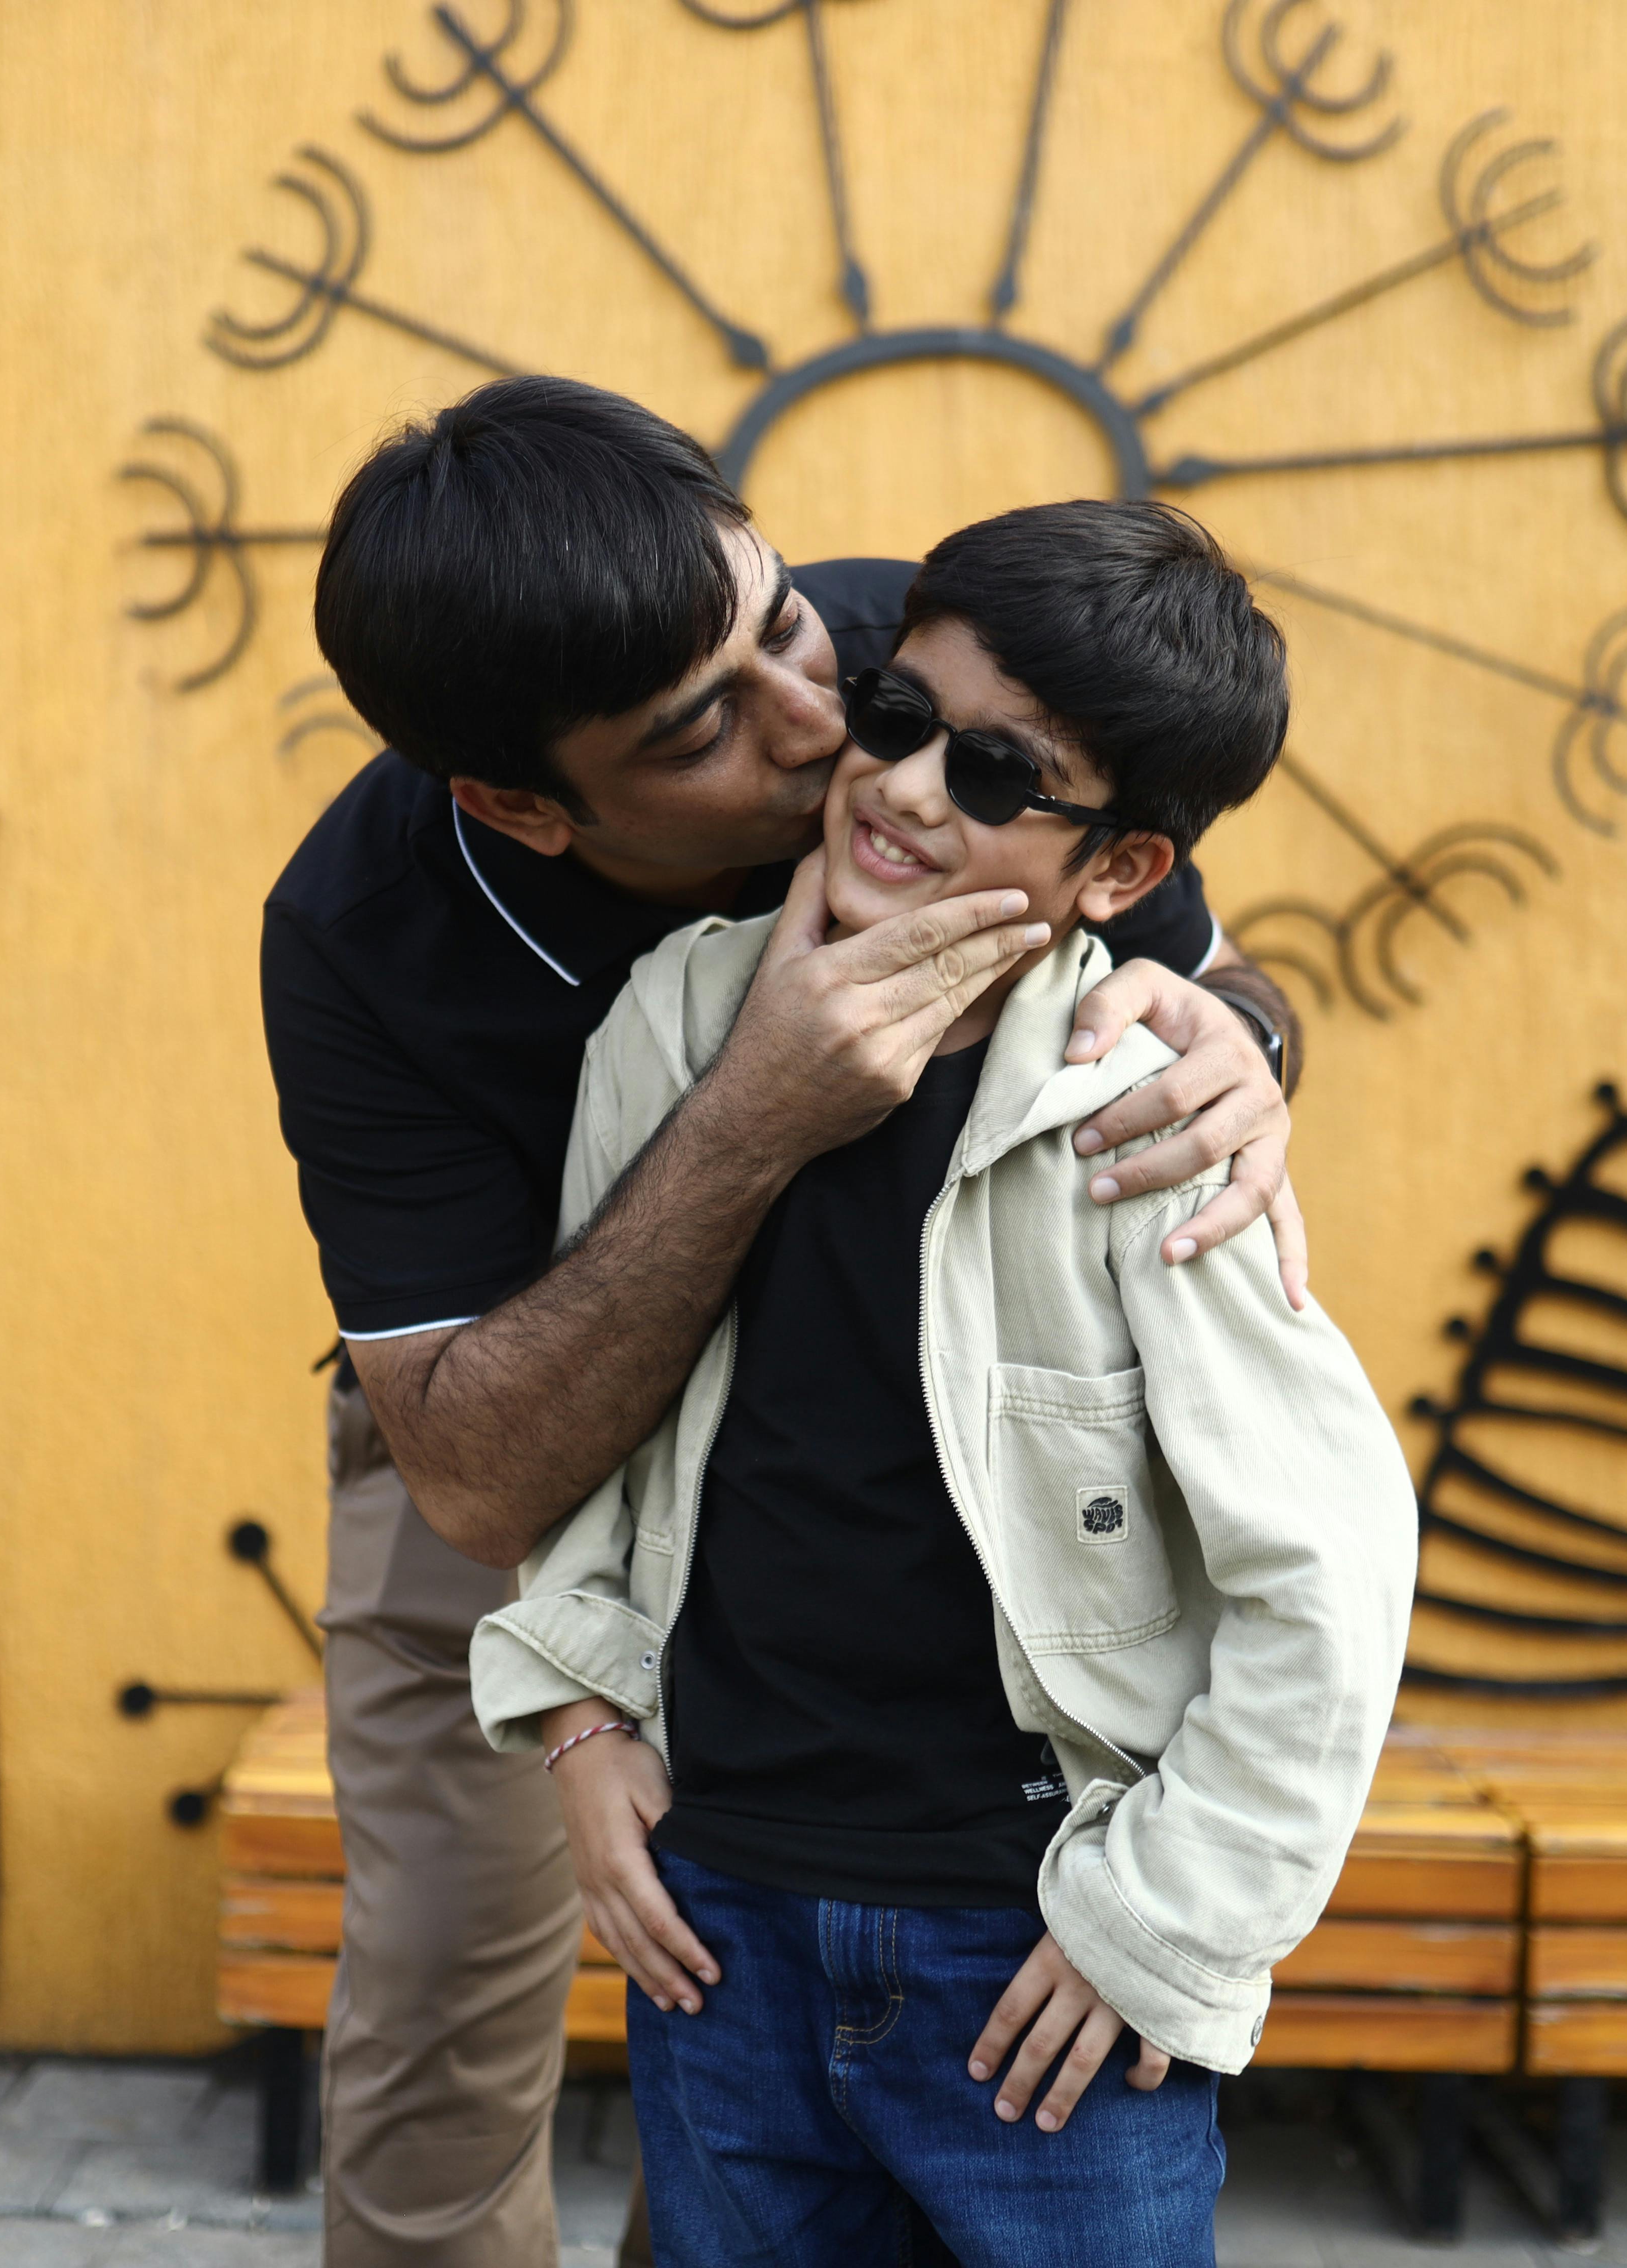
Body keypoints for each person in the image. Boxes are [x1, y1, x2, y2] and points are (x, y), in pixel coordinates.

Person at [263, 379, 1312, 2266]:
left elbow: (1187, 961)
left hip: (919, 1457)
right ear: (523, 802)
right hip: (519, 1430)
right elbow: (480, 1477)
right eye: (707, 729)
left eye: (782, 628)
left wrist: (1253, 1053)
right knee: (438, 2021)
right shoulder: (367, 935)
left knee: (745, 2046)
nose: (833, 734)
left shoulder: (922, 670)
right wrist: (753, 1108)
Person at [469, 500, 1417, 2266]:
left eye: (997, 776)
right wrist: (582, 1720)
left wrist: (1165, 1933)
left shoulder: (1135, 1103)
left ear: (1121, 874)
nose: (906, 789)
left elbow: (1334, 1574)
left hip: (1034, 1958)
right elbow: (605, 1432)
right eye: (898, 719)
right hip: (722, 1918)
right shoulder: (673, 1024)